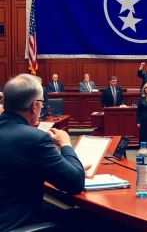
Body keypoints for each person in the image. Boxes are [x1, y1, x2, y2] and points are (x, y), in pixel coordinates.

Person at [0, 74, 85, 231]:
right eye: (42, 104)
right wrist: (66, 144)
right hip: (15, 225)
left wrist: (64, 165)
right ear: (34, 106)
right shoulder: (34, 138)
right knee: (89, 219)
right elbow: (76, 183)